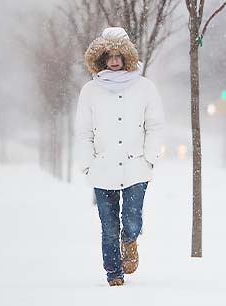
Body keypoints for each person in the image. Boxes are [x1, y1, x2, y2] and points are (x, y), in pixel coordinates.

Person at [75, 27, 165, 287]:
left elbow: (155, 125)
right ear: (101, 57)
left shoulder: (145, 87)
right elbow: (83, 132)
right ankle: (114, 273)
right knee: (108, 224)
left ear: (127, 56)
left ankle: (130, 240)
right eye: (109, 55)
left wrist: (150, 157)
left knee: (132, 218)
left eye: (119, 55)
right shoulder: (90, 91)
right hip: (102, 168)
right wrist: (87, 164)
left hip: (137, 165)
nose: (114, 60)